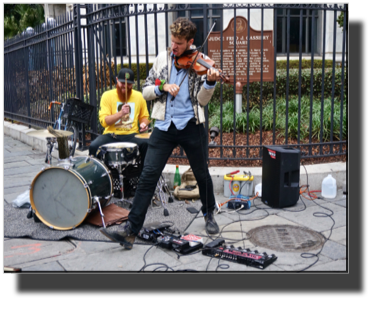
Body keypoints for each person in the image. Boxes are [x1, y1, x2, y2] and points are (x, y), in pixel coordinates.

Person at [100, 17, 221, 250]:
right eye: (172, 41)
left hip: (191, 125)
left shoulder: (200, 63)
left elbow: (201, 101)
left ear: (190, 42)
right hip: (164, 127)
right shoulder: (162, 59)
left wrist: (210, 83)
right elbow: (145, 91)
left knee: (202, 175)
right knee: (148, 176)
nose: (173, 47)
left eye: (179, 43)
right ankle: (131, 231)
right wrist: (161, 87)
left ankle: (209, 214)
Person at [89, 68, 150, 165]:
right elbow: (105, 122)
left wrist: (144, 123)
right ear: (117, 80)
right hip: (111, 135)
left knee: (146, 144)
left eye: (129, 84)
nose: (125, 87)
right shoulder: (107, 96)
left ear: (133, 83)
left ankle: (143, 176)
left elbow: (145, 117)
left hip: (131, 134)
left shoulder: (139, 96)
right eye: (122, 83)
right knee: (93, 146)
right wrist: (120, 113)